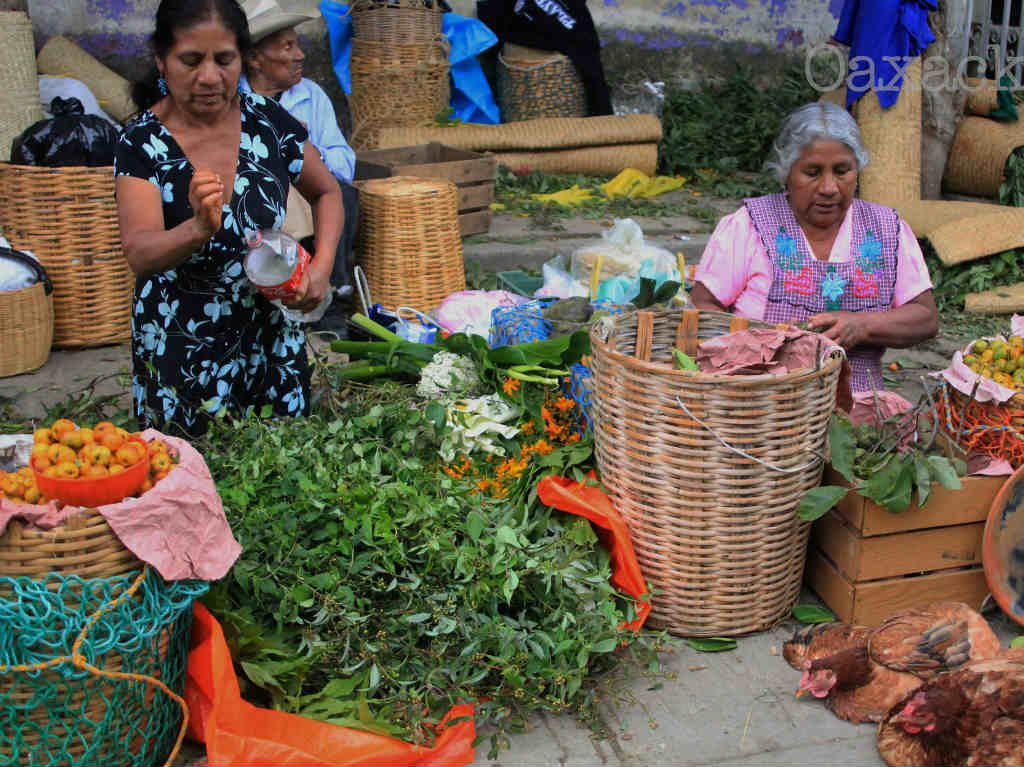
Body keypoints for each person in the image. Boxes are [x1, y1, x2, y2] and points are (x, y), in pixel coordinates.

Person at [114, 0, 344, 437]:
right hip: (183, 351)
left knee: (279, 479)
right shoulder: (141, 142)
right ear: (161, 60)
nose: (209, 76)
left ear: (242, 58)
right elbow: (139, 251)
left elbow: (328, 191)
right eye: (190, 60)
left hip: (271, 345)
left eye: (224, 60)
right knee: (190, 480)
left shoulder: (268, 123)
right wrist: (197, 228)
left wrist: (321, 267)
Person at [691, 101, 938, 400]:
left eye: (842, 171)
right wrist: (757, 349)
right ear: (786, 173)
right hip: (761, 400)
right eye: (812, 172)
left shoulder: (887, 229)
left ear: (857, 170)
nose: (829, 187)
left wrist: (862, 326)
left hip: (857, 406)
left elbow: (925, 317)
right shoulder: (750, 225)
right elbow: (702, 306)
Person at [239, 0, 358, 332]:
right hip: (260, 205)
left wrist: (306, 149)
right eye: (287, 46)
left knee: (342, 194)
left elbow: (345, 164)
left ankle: (332, 292)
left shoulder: (312, 96)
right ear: (253, 58)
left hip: (309, 195)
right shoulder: (233, 98)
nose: (300, 55)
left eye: (298, 44)